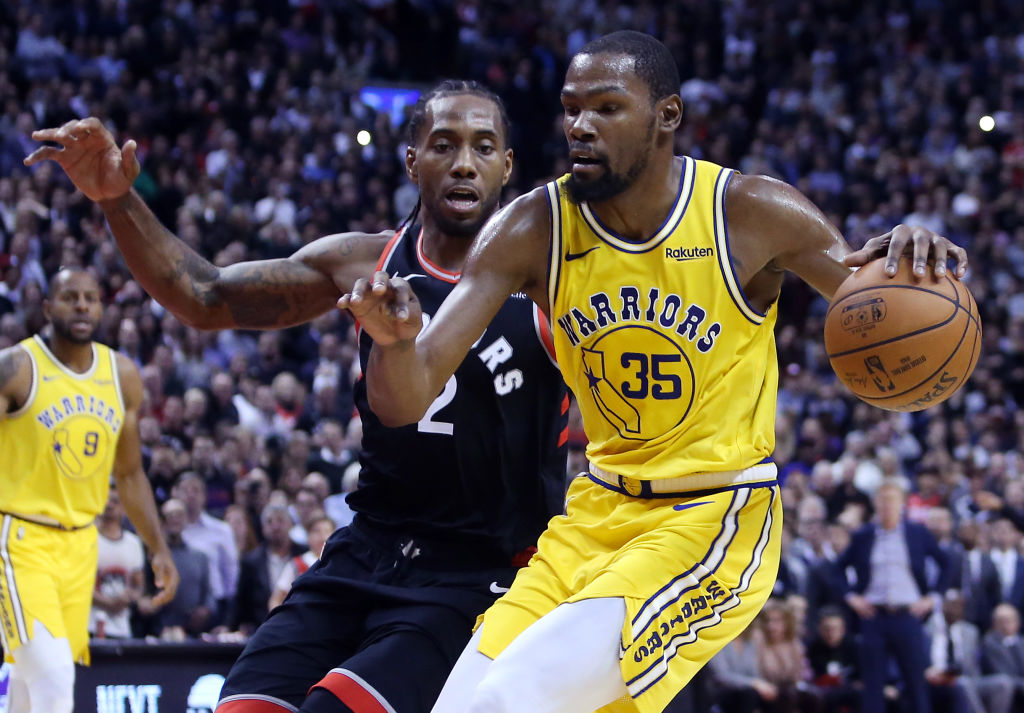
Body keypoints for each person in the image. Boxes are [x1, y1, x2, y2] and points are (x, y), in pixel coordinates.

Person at [340, 31, 968, 713]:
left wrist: (909, 257)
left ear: (666, 115)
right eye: (572, 108)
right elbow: (408, 395)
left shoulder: (750, 213)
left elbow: (869, 300)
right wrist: (396, 344)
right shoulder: (534, 227)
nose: (581, 125)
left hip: (711, 515)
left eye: (606, 108)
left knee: (512, 699)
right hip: (596, 510)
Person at [24, 79, 568, 713]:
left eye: (483, 146)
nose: (465, 163)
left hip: (480, 573)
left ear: (508, 166)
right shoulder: (364, 263)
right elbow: (208, 297)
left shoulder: (554, 288)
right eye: (444, 145)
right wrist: (117, 201)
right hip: (368, 551)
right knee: (240, 705)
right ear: (412, 160)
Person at [0, 268, 178, 713]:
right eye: (69, 297)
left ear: (101, 308)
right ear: (46, 308)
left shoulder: (121, 375)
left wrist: (157, 547)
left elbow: (131, 474)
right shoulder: (16, 368)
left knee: (28, 685)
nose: (81, 305)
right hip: (20, 542)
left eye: (90, 298)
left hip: (82, 544)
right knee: (56, 680)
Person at [839, 481, 951, 713]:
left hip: (907, 615)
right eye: (883, 500)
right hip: (873, 616)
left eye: (892, 500)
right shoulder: (864, 535)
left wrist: (933, 597)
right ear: (875, 504)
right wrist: (851, 597)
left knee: (915, 681)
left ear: (902, 503)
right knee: (873, 685)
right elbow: (835, 568)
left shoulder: (917, 533)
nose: (887, 505)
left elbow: (947, 563)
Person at [90, 485, 145, 640]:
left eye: (115, 501)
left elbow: (138, 585)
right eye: (105, 500)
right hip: (90, 625)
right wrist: (108, 602)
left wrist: (129, 597)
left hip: (122, 628)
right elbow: (77, 583)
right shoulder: (87, 539)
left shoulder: (133, 543)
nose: (109, 505)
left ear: (124, 508)